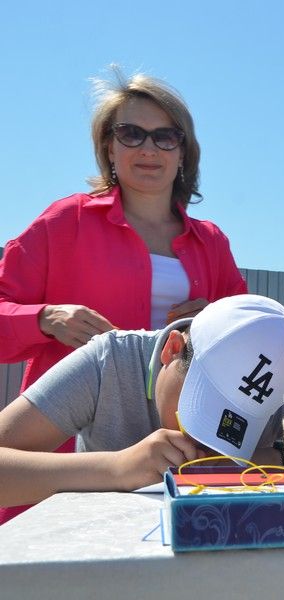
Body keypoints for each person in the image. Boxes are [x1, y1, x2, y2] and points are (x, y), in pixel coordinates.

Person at [0, 69, 247, 521]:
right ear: (109, 147)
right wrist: (42, 317)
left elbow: (245, 341)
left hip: (180, 455)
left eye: (164, 136)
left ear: (183, 152)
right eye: (131, 134)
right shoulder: (63, 223)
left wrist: (214, 317)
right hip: (61, 448)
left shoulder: (211, 243)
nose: (148, 148)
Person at [0, 294, 284, 508]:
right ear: (171, 350)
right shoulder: (110, 362)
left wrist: (273, 458)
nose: (203, 442)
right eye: (204, 407)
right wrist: (117, 468)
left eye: (234, 423)